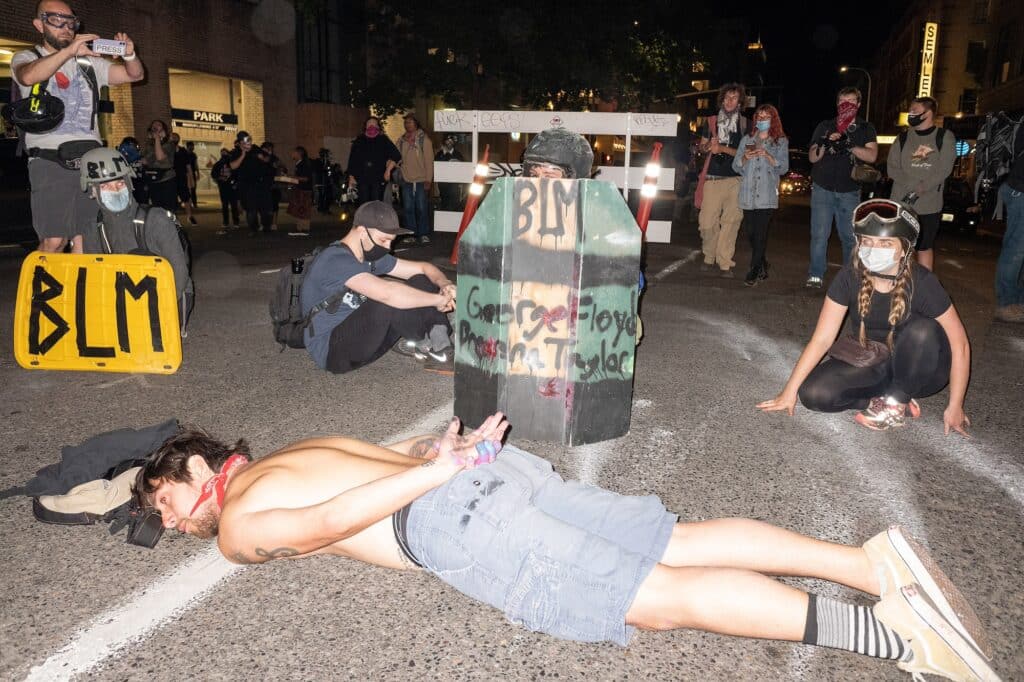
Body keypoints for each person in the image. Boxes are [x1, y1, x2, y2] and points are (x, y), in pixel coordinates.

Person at [133, 411, 999, 682]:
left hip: (449, 510)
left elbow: (330, 521)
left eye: (164, 499)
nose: (171, 521)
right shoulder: (288, 455)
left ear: (200, 466)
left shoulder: (239, 523)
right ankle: (869, 566)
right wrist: (453, 457)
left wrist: (438, 474)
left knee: (663, 598)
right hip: (495, 478)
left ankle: (901, 639)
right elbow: (383, 464)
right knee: (680, 543)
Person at [758, 199, 971, 434]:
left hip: (922, 367)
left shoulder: (923, 282)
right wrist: (789, 390)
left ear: (904, 249)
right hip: (875, 359)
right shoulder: (850, 277)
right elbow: (822, 339)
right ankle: (878, 400)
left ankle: (898, 401)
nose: (873, 249)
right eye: (867, 241)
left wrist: (955, 405)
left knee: (922, 330)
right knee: (814, 394)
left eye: (885, 243)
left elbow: (959, 344)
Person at [11, 0, 144, 253]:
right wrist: (69, 51)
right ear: (39, 25)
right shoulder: (29, 57)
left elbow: (135, 75)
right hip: (50, 159)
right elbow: (28, 76)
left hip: (91, 161)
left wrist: (129, 54)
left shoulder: (89, 63)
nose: (65, 27)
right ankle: (37, 291)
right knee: (55, 240)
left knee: (88, 239)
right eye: (55, 20)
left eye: (70, 21)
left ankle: (78, 292)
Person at [299, 200, 455, 374]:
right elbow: (388, 294)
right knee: (388, 297)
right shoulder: (334, 260)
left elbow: (424, 268)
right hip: (333, 352)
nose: (388, 247)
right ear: (362, 232)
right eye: (384, 240)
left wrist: (444, 284)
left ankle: (441, 348)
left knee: (420, 279)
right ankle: (425, 343)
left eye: (391, 241)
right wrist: (437, 300)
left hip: (368, 342)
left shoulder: (368, 256)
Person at [78, 146, 193, 329]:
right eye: (105, 186)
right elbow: (95, 279)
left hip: (168, 296)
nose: (115, 190)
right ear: (93, 192)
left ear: (129, 183)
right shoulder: (93, 228)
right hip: (123, 298)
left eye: (120, 183)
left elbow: (179, 272)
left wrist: (153, 311)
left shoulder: (156, 219)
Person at [806, 87, 879, 288]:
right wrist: (824, 142)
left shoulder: (865, 128)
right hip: (823, 187)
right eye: (842, 101)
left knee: (849, 237)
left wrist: (849, 144)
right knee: (819, 234)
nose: (846, 104)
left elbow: (872, 156)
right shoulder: (825, 125)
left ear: (859, 104)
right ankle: (816, 274)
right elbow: (813, 157)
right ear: (837, 104)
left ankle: (851, 278)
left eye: (851, 101)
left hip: (850, 191)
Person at [886, 97, 956, 272]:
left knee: (924, 246)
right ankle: (896, 281)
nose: (911, 114)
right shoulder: (902, 138)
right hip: (901, 203)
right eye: (911, 110)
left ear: (929, 112)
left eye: (915, 110)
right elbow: (892, 168)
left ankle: (925, 287)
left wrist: (923, 187)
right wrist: (913, 184)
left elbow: (945, 169)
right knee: (898, 245)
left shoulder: (944, 137)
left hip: (929, 204)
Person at [732, 104, 789, 286]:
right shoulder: (747, 139)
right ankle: (763, 263)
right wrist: (744, 158)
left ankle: (754, 269)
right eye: (760, 116)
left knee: (760, 234)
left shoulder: (780, 141)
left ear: (773, 120)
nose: (762, 120)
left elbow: (784, 168)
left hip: (766, 196)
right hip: (748, 195)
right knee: (750, 233)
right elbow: (735, 166)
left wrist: (768, 156)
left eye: (766, 117)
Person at [695, 84, 748, 277]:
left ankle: (724, 261)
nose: (729, 101)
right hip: (713, 177)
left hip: (736, 179)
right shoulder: (711, 121)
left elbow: (746, 154)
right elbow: (701, 148)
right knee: (706, 221)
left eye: (734, 98)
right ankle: (709, 255)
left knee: (731, 222)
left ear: (740, 102)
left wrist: (723, 149)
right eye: (726, 97)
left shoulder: (746, 124)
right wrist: (709, 145)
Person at [994, 122, 1024, 323]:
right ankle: (1008, 304)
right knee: (1016, 250)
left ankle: (1017, 303)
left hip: (1018, 189)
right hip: (1021, 191)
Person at [397, 113, 435, 244]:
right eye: (406, 122)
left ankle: (423, 233)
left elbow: (429, 161)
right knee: (407, 208)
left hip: (421, 179)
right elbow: (395, 157)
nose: (407, 124)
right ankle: (411, 234)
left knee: (421, 207)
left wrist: (428, 180)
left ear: (416, 123)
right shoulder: (401, 140)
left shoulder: (424, 140)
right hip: (407, 179)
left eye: (410, 122)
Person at [346, 116, 401, 206]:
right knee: (364, 205)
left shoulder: (383, 139)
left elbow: (397, 155)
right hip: (362, 179)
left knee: (376, 205)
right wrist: (351, 177)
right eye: (369, 123)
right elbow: (352, 160)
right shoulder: (359, 140)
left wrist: (388, 170)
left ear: (378, 127)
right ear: (365, 126)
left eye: (374, 123)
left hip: (378, 179)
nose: (371, 125)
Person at [229, 130, 275, 234]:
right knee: (251, 209)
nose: (248, 142)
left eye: (248, 139)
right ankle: (254, 229)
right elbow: (233, 166)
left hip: (261, 184)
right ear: (240, 142)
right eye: (245, 141)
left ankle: (266, 227)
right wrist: (243, 154)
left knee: (266, 208)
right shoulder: (236, 152)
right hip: (247, 185)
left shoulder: (255, 148)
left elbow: (268, 159)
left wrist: (263, 158)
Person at [140, 119, 177, 212]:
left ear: (164, 129)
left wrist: (157, 139)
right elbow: (145, 161)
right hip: (154, 181)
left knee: (168, 209)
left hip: (167, 180)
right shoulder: (149, 146)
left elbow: (160, 157)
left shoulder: (169, 144)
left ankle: (172, 226)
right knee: (157, 209)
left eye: (159, 125)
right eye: (154, 126)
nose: (156, 126)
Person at [285, 146, 313, 236]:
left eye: (294, 152)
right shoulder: (299, 164)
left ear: (299, 154)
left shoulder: (304, 164)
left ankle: (303, 229)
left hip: (304, 190)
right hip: (301, 189)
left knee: (302, 209)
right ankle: (301, 228)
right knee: (300, 209)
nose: (292, 154)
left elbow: (306, 178)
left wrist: (292, 177)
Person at [210, 148, 240, 231]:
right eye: (222, 153)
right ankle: (225, 222)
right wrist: (219, 178)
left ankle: (236, 222)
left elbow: (237, 174)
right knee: (225, 205)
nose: (224, 155)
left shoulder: (232, 163)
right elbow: (213, 174)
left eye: (225, 153)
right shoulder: (218, 164)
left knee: (234, 205)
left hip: (232, 187)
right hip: (223, 187)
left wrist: (235, 184)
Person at [171, 133, 196, 225]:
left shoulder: (183, 151)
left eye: (175, 138)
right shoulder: (167, 150)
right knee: (171, 199)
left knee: (186, 197)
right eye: (172, 137)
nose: (174, 139)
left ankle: (190, 216)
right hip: (170, 178)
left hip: (181, 177)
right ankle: (173, 219)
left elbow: (188, 165)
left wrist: (191, 178)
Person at [434, 133, 464, 211]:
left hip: (455, 184)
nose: (449, 142)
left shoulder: (458, 154)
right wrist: (444, 153)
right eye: (447, 140)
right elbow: (437, 166)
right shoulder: (439, 154)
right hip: (443, 184)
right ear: (444, 142)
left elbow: (463, 169)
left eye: (451, 140)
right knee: (444, 203)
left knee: (454, 204)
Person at [261, 141, 287, 230]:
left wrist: (280, 168)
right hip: (262, 185)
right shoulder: (259, 158)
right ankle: (263, 223)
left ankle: (274, 223)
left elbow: (283, 167)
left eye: (270, 148)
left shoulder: (275, 158)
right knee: (262, 205)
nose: (269, 150)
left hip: (274, 185)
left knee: (274, 205)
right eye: (267, 148)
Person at [185, 140, 200, 208]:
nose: (192, 147)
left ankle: (194, 203)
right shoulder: (184, 153)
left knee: (193, 189)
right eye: (191, 146)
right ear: (188, 146)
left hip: (192, 173)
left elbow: (195, 164)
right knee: (186, 189)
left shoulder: (193, 155)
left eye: (193, 146)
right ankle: (188, 203)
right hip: (185, 173)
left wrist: (198, 173)